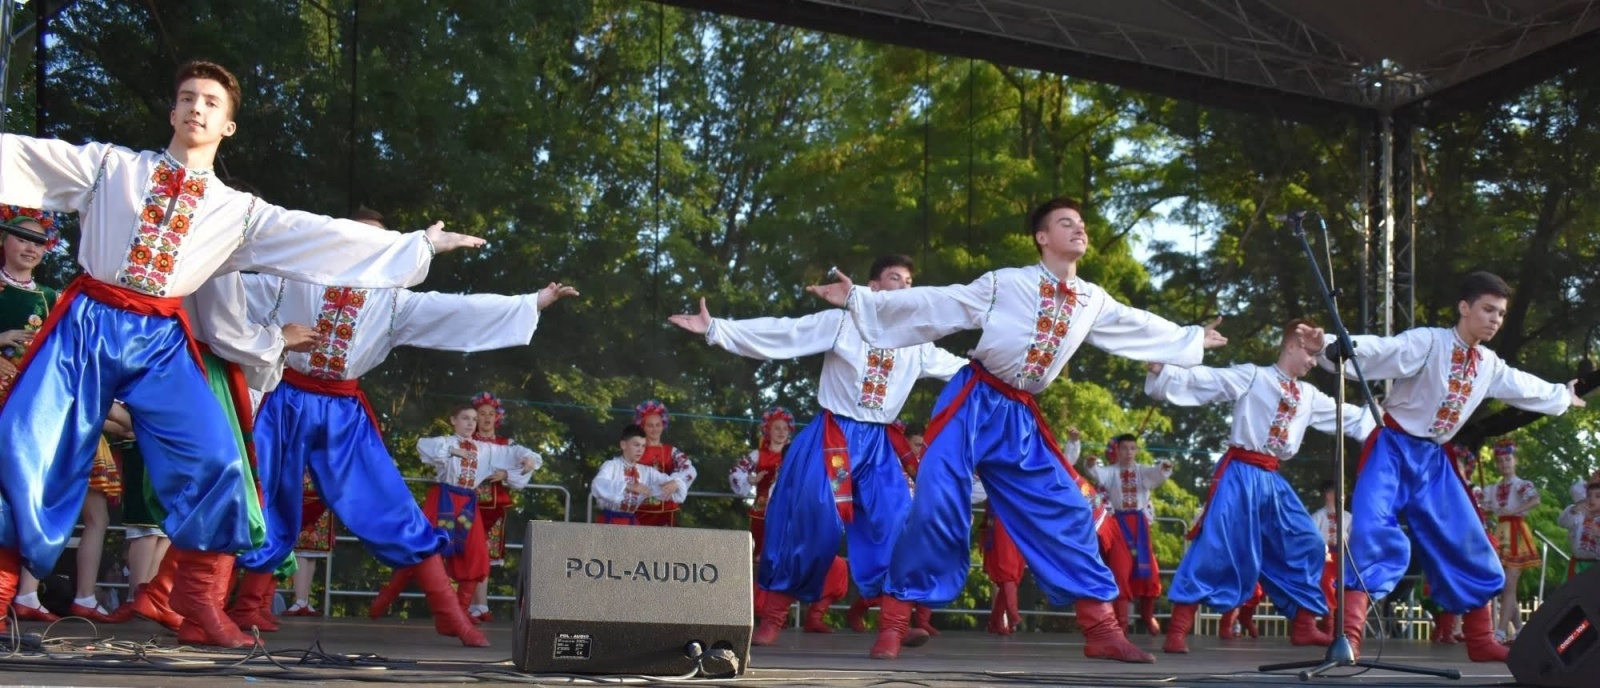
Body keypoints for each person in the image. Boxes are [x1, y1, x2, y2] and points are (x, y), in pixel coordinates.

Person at [0, 60, 485, 646]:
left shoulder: (240, 213)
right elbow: (23, 155)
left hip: (159, 338)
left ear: (227, 125)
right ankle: (4, 596)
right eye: (187, 97)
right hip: (89, 319)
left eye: (210, 102)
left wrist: (418, 245)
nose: (196, 108)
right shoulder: (111, 167)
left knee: (221, 460)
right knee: (30, 445)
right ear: (173, 110)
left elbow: (322, 234)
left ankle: (197, 602)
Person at [804, 197, 1226, 661]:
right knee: (935, 506)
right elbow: (941, 301)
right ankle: (894, 623)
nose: (1078, 229)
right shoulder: (1008, 283)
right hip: (973, 400)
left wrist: (1190, 337)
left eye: (1081, 224)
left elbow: (1136, 324)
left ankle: (1102, 630)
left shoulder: (1092, 300)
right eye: (1066, 223)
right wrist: (863, 300)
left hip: (1018, 415)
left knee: (1066, 508)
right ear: (1042, 238)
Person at [227, 210, 576, 648]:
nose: (365, 249)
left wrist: (530, 304)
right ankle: (245, 608)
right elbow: (226, 286)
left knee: (389, 501)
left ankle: (448, 611)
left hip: (343, 411)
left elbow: (456, 311)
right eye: (355, 239)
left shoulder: (392, 302)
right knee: (268, 498)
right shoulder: (294, 278)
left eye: (378, 244)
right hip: (287, 401)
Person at [669, 254, 967, 650]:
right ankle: (772, 619)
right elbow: (785, 334)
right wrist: (717, 330)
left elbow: (965, 371)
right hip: (833, 437)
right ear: (873, 288)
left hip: (878, 444)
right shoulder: (843, 322)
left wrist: (1009, 367)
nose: (905, 286)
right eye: (896, 278)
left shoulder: (916, 341)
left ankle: (893, 627)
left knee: (896, 521)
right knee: (808, 523)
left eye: (910, 281)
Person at [1328, 271, 1585, 662]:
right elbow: (1383, 351)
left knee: (1466, 537)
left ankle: (1480, 640)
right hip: (1392, 449)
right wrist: (1333, 347)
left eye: (1500, 313)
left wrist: (1561, 396)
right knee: (1369, 530)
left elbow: (1522, 386)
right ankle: (1349, 638)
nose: (1495, 319)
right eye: (1487, 309)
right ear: (1464, 308)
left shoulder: (1489, 364)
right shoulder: (1428, 342)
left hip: (1433, 459)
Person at [1143, 318, 1373, 652]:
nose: (1313, 361)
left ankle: (1305, 625)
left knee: (1308, 542)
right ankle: (1177, 630)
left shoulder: (1308, 395)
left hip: (1273, 480)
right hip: (1240, 474)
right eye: (1310, 353)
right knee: (1216, 545)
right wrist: (1165, 370)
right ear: (1292, 344)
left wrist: (1386, 416)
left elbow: (1347, 416)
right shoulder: (1254, 375)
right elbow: (1209, 381)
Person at [369, 407, 539, 620]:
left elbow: (514, 452)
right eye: (465, 418)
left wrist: (528, 458)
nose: (470, 423)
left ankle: (458, 613)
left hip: (467, 504)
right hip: (442, 499)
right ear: (453, 420)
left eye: (474, 420)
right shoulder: (446, 442)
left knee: (477, 556)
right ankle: (386, 596)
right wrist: (453, 451)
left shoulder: (486, 449)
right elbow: (423, 445)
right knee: (421, 549)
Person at [1075, 433, 1172, 636]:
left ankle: (1147, 615)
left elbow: (1158, 472)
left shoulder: (1142, 471)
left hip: (1140, 525)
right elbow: (1096, 472)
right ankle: (1121, 627)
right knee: (1120, 570)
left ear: (1136, 450)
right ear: (1117, 451)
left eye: (1132, 448)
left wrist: (1164, 467)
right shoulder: (1111, 472)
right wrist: (1090, 464)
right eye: (1125, 448)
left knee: (1150, 571)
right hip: (1119, 524)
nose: (1129, 452)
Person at [1479, 439, 1541, 643]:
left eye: (1508, 459)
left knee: (1509, 584)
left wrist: (1513, 510)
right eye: (1500, 461)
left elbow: (1535, 500)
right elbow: (1485, 508)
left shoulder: (1523, 485)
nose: (1504, 464)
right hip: (1500, 533)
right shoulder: (1493, 488)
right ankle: (1520, 628)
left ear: (1515, 461)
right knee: (1505, 584)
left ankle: (1501, 631)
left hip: (1516, 532)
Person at [467, 391, 515, 622]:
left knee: (485, 556)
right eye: (482, 414)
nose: (486, 418)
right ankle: (472, 605)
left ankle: (479, 605)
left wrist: (505, 473)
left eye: (490, 414)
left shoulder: (506, 445)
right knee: (469, 554)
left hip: (495, 507)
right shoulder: (468, 442)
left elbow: (520, 469)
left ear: (497, 417)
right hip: (469, 505)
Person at [728, 408, 795, 558]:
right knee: (758, 554)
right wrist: (750, 479)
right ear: (768, 430)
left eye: (785, 428)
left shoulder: (794, 455)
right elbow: (735, 471)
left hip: (787, 511)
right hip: (761, 511)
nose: (781, 431)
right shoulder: (758, 455)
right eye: (777, 427)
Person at [591, 424, 686, 524]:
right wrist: (629, 486)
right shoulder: (611, 466)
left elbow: (673, 484)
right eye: (636, 445)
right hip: (608, 522)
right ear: (623, 445)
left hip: (630, 523)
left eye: (643, 446)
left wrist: (675, 483)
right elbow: (597, 484)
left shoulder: (647, 472)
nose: (640, 450)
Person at [630, 401, 698, 527]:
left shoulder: (671, 451)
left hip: (666, 512)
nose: (655, 429)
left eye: (658, 425)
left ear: (663, 426)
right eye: (650, 425)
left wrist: (676, 482)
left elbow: (690, 470)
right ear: (642, 427)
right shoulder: (634, 450)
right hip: (638, 511)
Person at [1309, 480, 1350, 635]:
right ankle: (1329, 627)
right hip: (1326, 557)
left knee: (1348, 586)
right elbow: (1312, 539)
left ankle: (1343, 628)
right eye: (1336, 493)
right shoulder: (1318, 516)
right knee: (1327, 584)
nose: (1341, 497)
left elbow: (1353, 538)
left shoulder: (1348, 517)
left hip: (1344, 558)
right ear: (1327, 495)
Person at [1558, 482, 1600, 577]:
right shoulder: (1578, 515)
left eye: (1598, 496)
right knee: (1571, 591)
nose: (1591, 499)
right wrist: (1573, 509)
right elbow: (1562, 522)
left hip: (1596, 568)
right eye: (1588, 495)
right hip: (1576, 565)